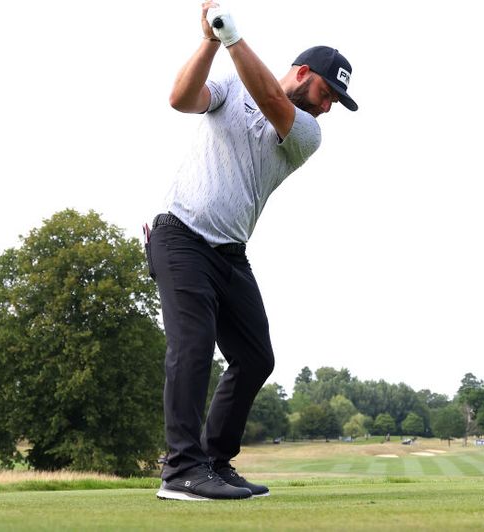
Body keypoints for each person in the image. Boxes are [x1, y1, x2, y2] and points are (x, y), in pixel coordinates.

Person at [148, 2, 357, 501]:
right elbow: (180, 98)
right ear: (303, 73)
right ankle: (181, 470)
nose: (328, 106)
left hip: (228, 253)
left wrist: (232, 37)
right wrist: (208, 40)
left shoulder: (306, 132)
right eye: (327, 93)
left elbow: (271, 98)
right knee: (194, 345)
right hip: (179, 235)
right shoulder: (231, 87)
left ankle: (214, 462)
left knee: (255, 356)